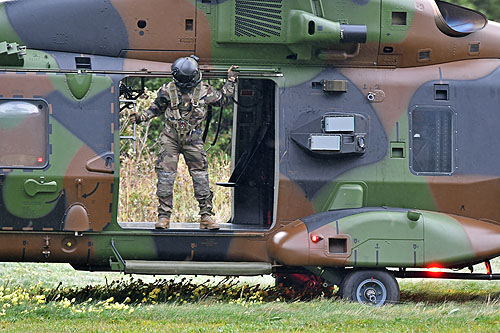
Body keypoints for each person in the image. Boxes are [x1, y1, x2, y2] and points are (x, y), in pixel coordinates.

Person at [130, 55, 237, 230]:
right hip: (170, 139)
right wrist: (142, 117)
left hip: (192, 139)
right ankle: (164, 218)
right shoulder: (167, 90)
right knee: (165, 178)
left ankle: (206, 217)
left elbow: (223, 99)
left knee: (200, 177)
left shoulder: (204, 91)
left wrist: (231, 80)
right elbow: (155, 108)